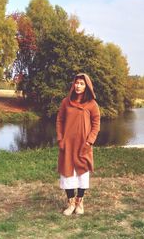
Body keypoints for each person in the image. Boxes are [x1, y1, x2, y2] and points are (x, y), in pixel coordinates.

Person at [56, 73, 100, 216]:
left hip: (83, 145)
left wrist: (89, 141)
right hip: (67, 145)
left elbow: (96, 124)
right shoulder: (65, 102)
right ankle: (70, 203)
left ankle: (80, 202)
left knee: (82, 174)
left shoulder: (92, 104)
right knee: (68, 174)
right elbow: (59, 121)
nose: (78, 86)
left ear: (86, 86)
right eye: (76, 83)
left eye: (81, 83)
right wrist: (60, 139)